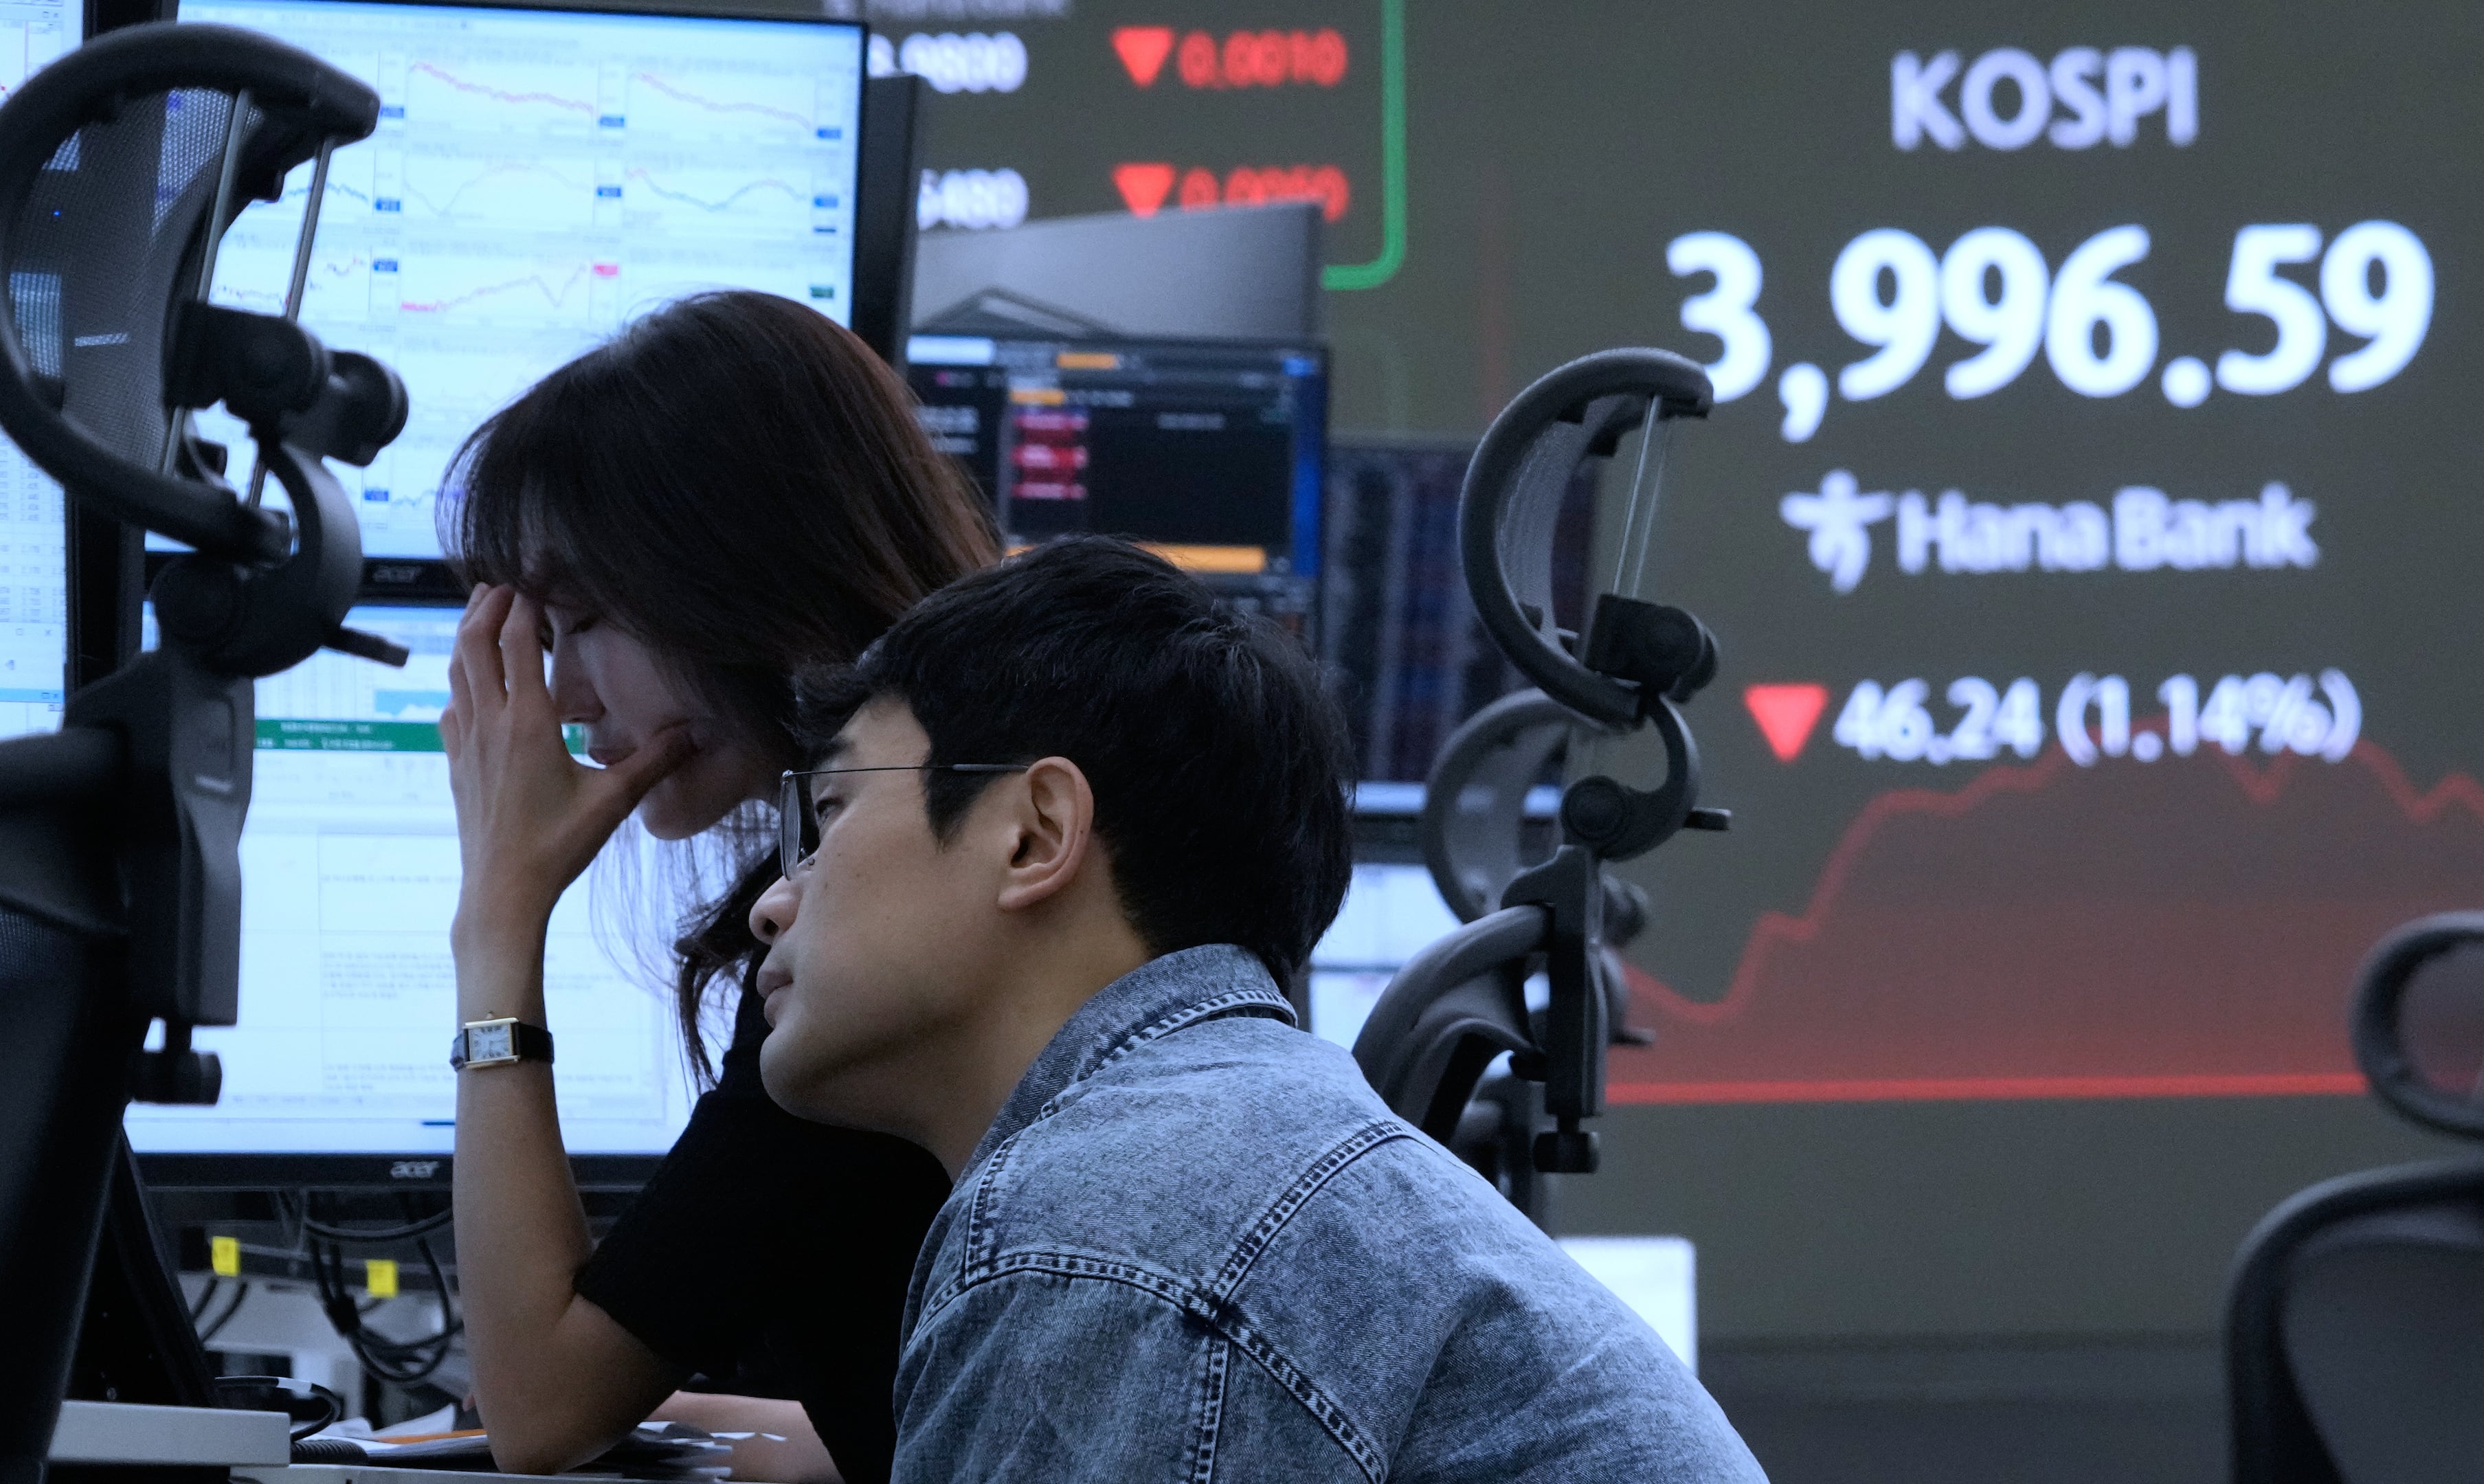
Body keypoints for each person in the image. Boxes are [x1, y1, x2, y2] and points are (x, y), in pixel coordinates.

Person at [746, 537, 1767, 1481]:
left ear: (1033, 833)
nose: (770, 903)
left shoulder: (1115, 1220)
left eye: (829, 812)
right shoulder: (1218, 1154)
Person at [436, 291, 1000, 1481]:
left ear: (738, 576)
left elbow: (540, 1412)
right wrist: (702, 1424)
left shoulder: (882, 936)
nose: (571, 700)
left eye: (583, 620)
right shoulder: (977, 829)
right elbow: (916, 1403)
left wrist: (498, 918)